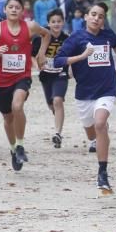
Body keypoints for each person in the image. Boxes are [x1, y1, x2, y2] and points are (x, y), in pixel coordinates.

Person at [53, 2, 116, 195]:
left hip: (107, 89)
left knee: (100, 124)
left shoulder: (108, 35)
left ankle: (102, 173)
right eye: (93, 14)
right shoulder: (76, 38)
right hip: (84, 94)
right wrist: (82, 56)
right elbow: (58, 60)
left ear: (104, 20)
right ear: (86, 17)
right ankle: (95, 139)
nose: (96, 18)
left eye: (100, 16)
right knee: (91, 130)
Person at [0, 0, 51, 171]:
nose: (14, 10)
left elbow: (46, 34)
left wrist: (41, 54)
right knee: (8, 117)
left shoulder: (30, 26)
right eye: (10, 7)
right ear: (4, 10)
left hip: (22, 76)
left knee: (17, 106)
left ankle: (20, 145)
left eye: (17, 7)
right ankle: (13, 149)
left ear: (22, 11)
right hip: (2, 80)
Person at [32, 9, 71, 149]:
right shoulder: (40, 38)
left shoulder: (67, 39)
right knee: (51, 104)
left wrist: (71, 69)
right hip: (46, 75)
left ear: (63, 22)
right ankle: (57, 115)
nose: (56, 24)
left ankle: (58, 134)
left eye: (59, 21)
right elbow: (32, 54)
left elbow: (72, 57)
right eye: (53, 22)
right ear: (48, 23)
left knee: (57, 100)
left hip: (61, 74)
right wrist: (37, 65)